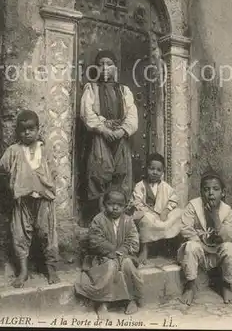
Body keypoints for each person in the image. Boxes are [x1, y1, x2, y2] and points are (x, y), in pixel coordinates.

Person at [0, 110, 60, 288]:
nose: (27, 133)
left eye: (31, 129)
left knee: (47, 233)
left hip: (43, 200)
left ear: (38, 129)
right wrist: (14, 185)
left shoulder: (44, 150)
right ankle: (23, 271)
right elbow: (2, 168)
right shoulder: (14, 151)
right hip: (23, 201)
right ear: (18, 132)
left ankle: (51, 269)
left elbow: (53, 171)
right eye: (23, 130)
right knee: (20, 233)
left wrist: (43, 185)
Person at [80, 49, 138, 220]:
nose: (105, 68)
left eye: (109, 64)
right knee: (99, 172)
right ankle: (100, 218)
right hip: (101, 137)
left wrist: (120, 131)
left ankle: (119, 220)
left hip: (120, 137)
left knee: (121, 174)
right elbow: (87, 113)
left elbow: (132, 115)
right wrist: (104, 130)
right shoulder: (91, 88)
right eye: (100, 64)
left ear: (115, 68)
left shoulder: (124, 91)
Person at [74, 188, 144, 317]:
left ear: (125, 206)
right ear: (104, 204)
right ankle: (102, 302)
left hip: (123, 256)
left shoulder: (128, 221)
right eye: (111, 204)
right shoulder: (98, 220)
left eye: (119, 205)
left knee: (128, 264)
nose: (115, 208)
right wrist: (111, 252)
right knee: (110, 266)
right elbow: (95, 240)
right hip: (102, 257)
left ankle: (131, 299)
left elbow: (133, 241)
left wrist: (121, 251)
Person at [177, 167, 232, 305]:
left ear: (223, 193)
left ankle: (226, 285)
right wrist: (202, 244)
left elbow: (229, 237)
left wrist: (216, 218)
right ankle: (191, 285)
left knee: (231, 250)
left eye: (216, 189)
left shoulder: (226, 210)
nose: (211, 193)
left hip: (216, 253)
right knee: (190, 247)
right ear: (201, 192)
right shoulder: (193, 205)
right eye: (206, 189)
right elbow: (185, 228)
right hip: (199, 251)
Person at [130, 153, 182, 264]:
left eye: (158, 170)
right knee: (144, 218)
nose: (155, 172)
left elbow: (173, 199)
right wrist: (150, 213)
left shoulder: (165, 186)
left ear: (163, 172)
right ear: (146, 169)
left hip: (162, 216)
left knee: (179, 213)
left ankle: (174, 248)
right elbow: (137, 202)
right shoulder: (140, 186)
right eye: (151, 168)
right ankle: (145, 249)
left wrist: (166, 211)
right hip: (148, 215)